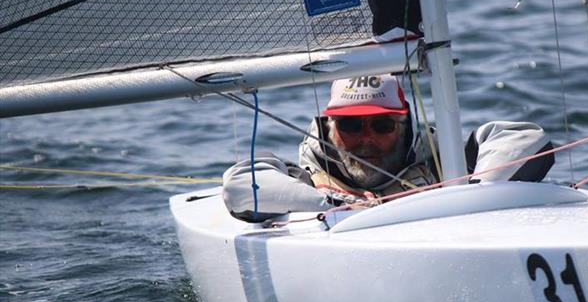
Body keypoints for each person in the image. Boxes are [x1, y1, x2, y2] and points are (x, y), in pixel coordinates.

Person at [223, 74, 554, 222]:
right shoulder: (307, 175)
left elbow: (527, 138)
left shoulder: (445, 163)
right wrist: (336, 203)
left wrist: (471, 194)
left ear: (404, 126)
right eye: (351, 125)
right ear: (328, 126)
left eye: (381, 126)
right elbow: (239, 187)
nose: (366, 139)